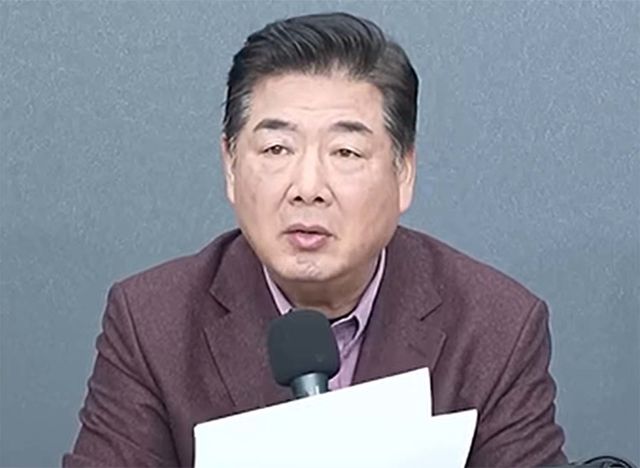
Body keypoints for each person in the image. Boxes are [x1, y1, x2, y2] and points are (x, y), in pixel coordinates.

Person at [63, 12, 567, 467]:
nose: (307, 188)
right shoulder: (153, 323)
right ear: (231, 166)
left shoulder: (494, 328)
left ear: (404, 172)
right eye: (276, 148)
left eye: (345, 152)